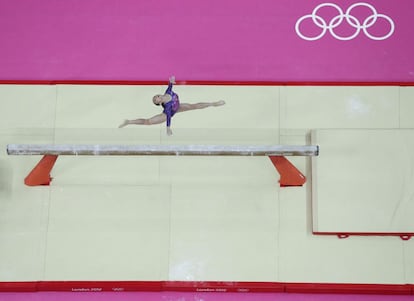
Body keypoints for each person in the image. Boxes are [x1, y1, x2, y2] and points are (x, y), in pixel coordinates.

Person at [118, 76, 225, 135]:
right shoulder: (167, 106)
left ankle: (214, 103)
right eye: (155, 100)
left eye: (155, 96)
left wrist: (171, 81)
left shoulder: (167, 92)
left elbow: (170, 86)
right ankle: (129, 121)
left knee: (194, 106)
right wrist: (168, 128)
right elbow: (169, 117)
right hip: (167, 114)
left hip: (177, 107)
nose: (156, 98)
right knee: (148, 122)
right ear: (159, 103)